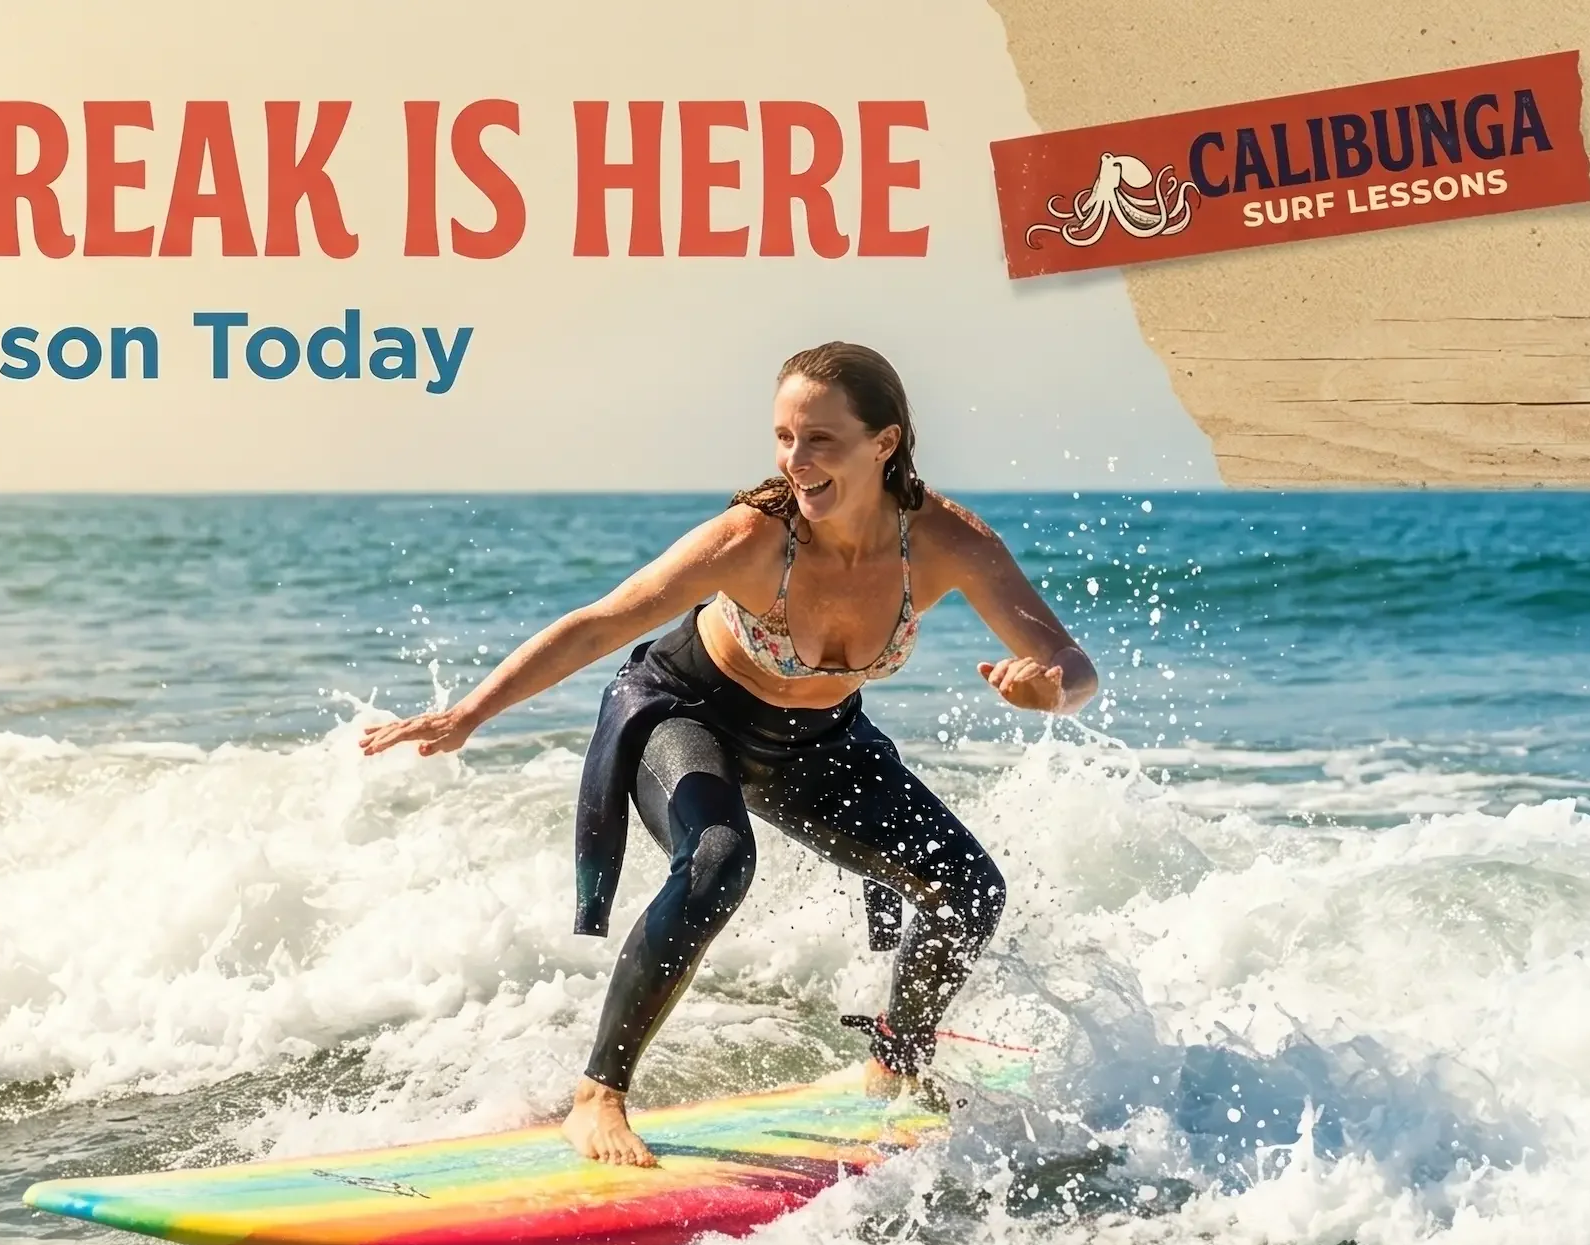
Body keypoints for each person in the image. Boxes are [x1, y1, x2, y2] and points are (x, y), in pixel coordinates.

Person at [358, 341, 1097, 1167]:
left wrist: (1049, 691)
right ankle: (597, 1097)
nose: (796, 461)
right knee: (717, 859)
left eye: (820, 439)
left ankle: (897, 1064)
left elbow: (1074, 669)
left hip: (816, 742)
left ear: (883, 443)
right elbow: (604, 622)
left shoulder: (945, 542)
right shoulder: (756, 537)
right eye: (784, 437)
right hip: (686, 712)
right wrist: (469, 712)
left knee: (967, 891)